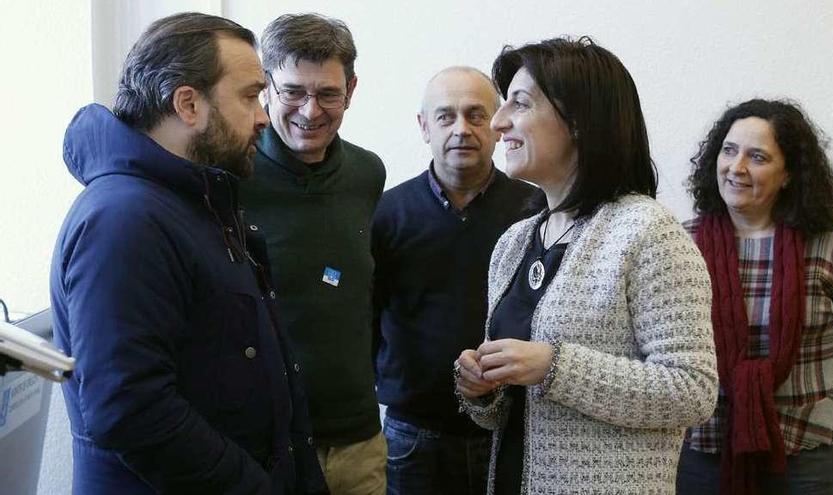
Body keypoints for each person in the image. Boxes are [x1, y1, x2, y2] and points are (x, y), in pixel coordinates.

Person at [50, 12, 327, 494]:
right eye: (249, 96)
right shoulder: (124, 220)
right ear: (188, 104)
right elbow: (131, 410)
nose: (264, 116)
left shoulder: (197, 204)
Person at [454, 36, 720, 494]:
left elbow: (693, 391)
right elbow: (510, 411)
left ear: (578, 121)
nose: (498, 122)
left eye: (519, 103)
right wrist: (482, 387)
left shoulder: (648, 232)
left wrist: (555, 366)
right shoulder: (514, 242)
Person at [677, 99, 833, 495]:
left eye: (758, 157)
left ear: (788, 174)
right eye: (729, 151)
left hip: (811, 457)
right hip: (705, 454)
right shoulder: (682, 245)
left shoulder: (830, 244)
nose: (736, 168)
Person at [239, 13, 386, 495]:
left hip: (358, 443)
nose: (310, 110)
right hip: (263, 443)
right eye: (293, 92)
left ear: (353, 89)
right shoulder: (230, 177)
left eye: (328, 94)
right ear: (265, 86)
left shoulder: (368, 174)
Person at [372, 66, 536, 495]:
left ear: (498, 125)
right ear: (424, 127)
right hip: (412, 438)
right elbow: (365, 319)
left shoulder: (535, 212)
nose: (461, 129)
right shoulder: (386, 214)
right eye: (445, 116)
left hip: (508, 431)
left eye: (475, 115)